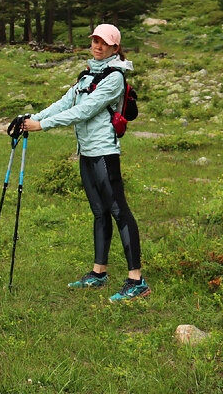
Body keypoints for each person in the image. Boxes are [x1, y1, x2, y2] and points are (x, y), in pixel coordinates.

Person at [19, 23, 149, 302]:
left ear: (116, 47)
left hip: (104, 153)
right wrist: (31, 117)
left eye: (104, 43)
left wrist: (42, 126)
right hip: (86, 153)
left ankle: (137, 280)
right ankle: (98, 273)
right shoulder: (87, 75)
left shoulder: (115, 78)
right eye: (94, 41)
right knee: (99, 210)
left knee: (118, 210)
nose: (97, 46)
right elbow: (65, 102)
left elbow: (84, 110)